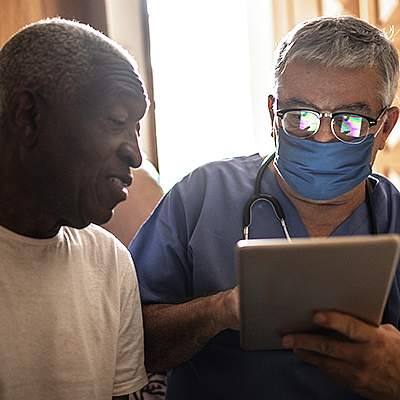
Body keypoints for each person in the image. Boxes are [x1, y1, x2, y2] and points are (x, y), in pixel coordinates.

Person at [129, 16, 400, 400]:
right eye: (301, 117)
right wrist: (220, 311)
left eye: (350, 122)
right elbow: (130, 343)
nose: (322, 138)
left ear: (385, 127)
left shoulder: (393, 215)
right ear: (273, 114)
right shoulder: (202, 196)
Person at [0, 19, 148, 399]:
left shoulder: (109, 261)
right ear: (28, 116)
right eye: (116, 121)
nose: (135, 153)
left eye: (136, 128)